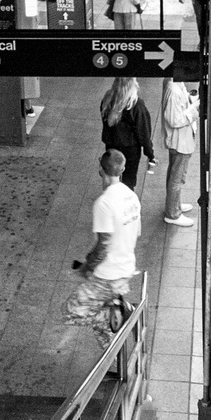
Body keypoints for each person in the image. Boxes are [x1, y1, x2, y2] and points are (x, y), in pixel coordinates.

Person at [64, 150, 141, 350]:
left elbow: (104, 245)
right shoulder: (131, 197)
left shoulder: (104, 203)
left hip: (109, 274)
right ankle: (114, 356)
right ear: (123, 169)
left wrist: (87, 267)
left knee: (73, 311)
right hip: (126, 266)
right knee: (100, 316)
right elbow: (135, 233)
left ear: (100, 169)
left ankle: (122, 313)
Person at [99, 76, 155, 190]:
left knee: (111, 178)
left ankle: (111, 198)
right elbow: (144, 133)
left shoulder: (107, 99)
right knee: (129, 181)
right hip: (130, 150)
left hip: (111, 147)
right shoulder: (136, 105)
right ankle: (125, 202)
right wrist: (150, 154)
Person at [160, 80, 199, 226]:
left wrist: (190, 100)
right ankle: (173, 214)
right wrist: (195, 108)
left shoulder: (175, 83)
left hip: (181, 139)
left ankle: (175, 204)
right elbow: (174, 120)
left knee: (174, 174)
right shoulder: (174, 90)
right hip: (180, 141)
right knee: (177, 178)